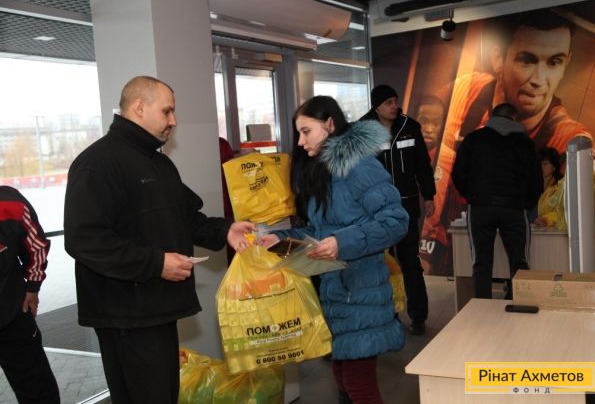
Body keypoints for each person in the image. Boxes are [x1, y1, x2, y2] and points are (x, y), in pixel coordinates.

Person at [63, 76, 255, 404]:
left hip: (156, 307)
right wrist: (156, 263)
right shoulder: (97, 163)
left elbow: (186, 217)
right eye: (167, 111)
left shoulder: (159, 162)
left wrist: (225, 231)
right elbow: (84, 238)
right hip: (125, 315)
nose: (174, 121)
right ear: (139, 108)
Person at [421, 8, 595, 277]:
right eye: (527, 60)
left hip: (497, 221)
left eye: (554, 62)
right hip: (457, 248)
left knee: (497, 267)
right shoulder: (466, 91)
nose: (538, 80)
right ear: (498, 58)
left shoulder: (570, 137)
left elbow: (589, 194)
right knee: (505, 265)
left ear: (567, 63)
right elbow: (437, 164)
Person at [260, 95, 408, 403]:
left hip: (361, 293)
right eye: (298, 133)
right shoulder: (324, 172)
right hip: (337, 293)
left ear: (329, 124)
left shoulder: (360, 166)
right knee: (344, 378)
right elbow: (318, 232)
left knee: (358, 385)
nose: (300, 142)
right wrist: (278, 239)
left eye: (306, 131)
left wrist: (342, 242)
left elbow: (396, 221)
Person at [360, 84, 436, 335]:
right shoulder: (362, 130)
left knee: (410, 261)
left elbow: (423, 165)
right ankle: (388, 314)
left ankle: (418, 316)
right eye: (389, 103)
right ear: (377, 107)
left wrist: (429, 195)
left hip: (406, 206)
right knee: (383, 264)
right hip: (376, 210)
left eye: (395, 101)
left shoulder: (410, 126)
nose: (395, 106)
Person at [452, 103, 543, 300]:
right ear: (514, 118)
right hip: (514, 208)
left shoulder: (473, 139)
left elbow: (458, 174)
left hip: (480, 207)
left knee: (481, 261)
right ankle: (518, 302)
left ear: (491, 118)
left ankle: (483, 306)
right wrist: (526, 203)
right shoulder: (525, 142)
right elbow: (536, 180)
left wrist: (472, 196)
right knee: (519, 261)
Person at [0, 185, 60, 403]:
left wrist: (33, 287)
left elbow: (36, 247)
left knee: (38, 391)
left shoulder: (10, 204)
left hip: (13, 316)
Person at [532, 146, 564, 227]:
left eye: (545, 163)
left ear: (554, 167)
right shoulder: (531, 186)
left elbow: (564, 212)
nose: (541, 167)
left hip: (551, 231)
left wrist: (547, 219)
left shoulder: (561, 188)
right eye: (539, 163)